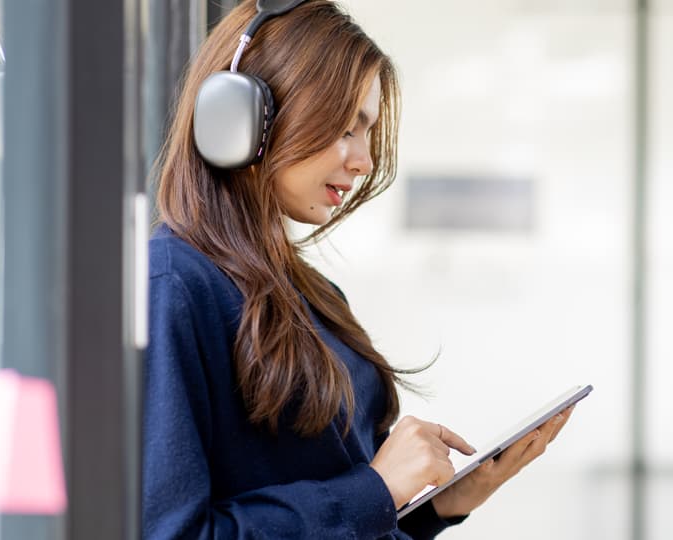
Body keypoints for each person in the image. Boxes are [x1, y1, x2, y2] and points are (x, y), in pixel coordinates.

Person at [144, 1, 576, 538]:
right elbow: (175, 532)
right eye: (348, 127)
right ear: (243, 117)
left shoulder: (315, 295)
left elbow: (353, 517)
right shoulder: (175, 286)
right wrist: (375, 489)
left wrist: (438, 506)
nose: (365, 161)